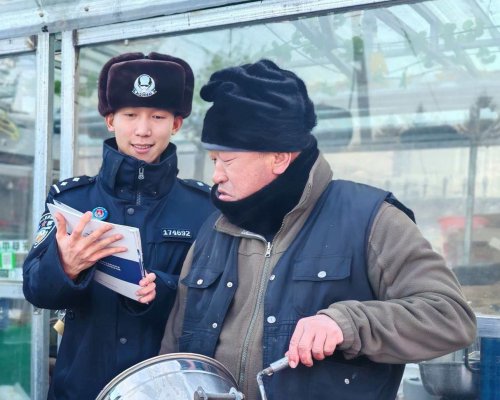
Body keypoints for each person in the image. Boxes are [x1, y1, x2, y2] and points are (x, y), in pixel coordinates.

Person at [159, 59, 477, 400]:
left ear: (279, 158)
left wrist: (347, 323)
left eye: (228, 161)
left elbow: (450, 317)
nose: (216, 175)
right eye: (213, 160)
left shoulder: (370, 219)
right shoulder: (214, 230)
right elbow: (174, 352)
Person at [22, 52, 215, 400]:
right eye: (130, 115)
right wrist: (65, 267)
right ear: (110, 120)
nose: (143, 130)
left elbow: (215, 301)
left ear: (176, 124)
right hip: (79, 388)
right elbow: (36, 291)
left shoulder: (203, 208)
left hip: (166, 390)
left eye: (157, 117)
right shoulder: (71, 199)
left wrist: (164, 289)